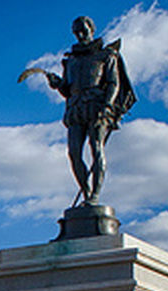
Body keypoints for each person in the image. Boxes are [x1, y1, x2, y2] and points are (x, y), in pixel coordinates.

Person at [19, 15, 135, 206]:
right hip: (75, 107)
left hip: (97, 105)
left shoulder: (106, 55)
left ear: (92, 29)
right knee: (74, 153)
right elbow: (67, 89)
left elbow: (114, 83)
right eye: (76, 32)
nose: (80, 35)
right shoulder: (70, 61)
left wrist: (107, 105)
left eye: (83, 30)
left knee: (96, 148)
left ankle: (94, 196)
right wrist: (58, 85)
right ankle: (86, 193)